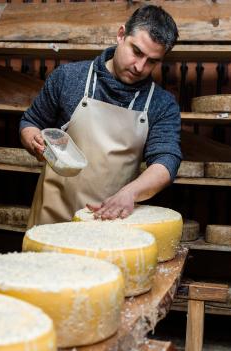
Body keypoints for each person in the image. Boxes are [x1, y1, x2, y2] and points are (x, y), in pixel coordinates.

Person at [20, 5, 181, 227]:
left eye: (152, 61)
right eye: (137, 52)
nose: (140, 67)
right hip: (53, 218)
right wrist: (33, 140)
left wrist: (131, 193)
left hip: (109, 221)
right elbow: (31, 122)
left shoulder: (161, 103)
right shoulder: (67, 78)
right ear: (121, 35)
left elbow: (166, 160)